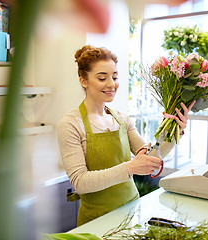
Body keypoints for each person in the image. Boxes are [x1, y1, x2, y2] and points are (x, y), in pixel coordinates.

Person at [57, 45, 195, 226]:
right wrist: (129, 168)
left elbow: (151, 159)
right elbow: (80, 182)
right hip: (96, 222)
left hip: (132, 211)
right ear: (84, 81)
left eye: (114, 77)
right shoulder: (70, 124)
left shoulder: (122, 119)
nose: (111, 84)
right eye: (102, 77)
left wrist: (175, 130)